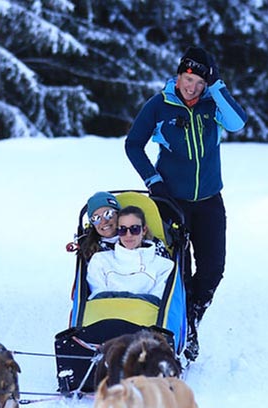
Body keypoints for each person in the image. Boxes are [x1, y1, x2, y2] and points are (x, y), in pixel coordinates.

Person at [124, 46, 247, 361]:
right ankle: (184, 332)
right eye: (186, 78)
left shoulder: (212, 104)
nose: (191, 86)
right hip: (171, 202)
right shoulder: (160, 105)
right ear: (178, 76)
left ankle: (191, 320)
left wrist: (218, 88)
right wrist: (154, 182)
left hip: (209, 201)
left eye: (198, 81)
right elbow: (133, 144)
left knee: (213, 268)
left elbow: (237, 124)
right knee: (179, 270)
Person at [86, 206, 174, 303]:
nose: (128, 235)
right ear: (118, 232)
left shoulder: (165, 266)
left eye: (134, 229)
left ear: (144, 230)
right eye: (123, 230)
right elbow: (98, 299)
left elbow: (158, 301)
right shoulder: (100, 260)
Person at [69, 191, 170, 262]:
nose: (104, 221)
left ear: (119, 214)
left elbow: (166, 270)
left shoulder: (148, 242)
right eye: (96, 218)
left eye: (108, 214)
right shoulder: (92, 250)